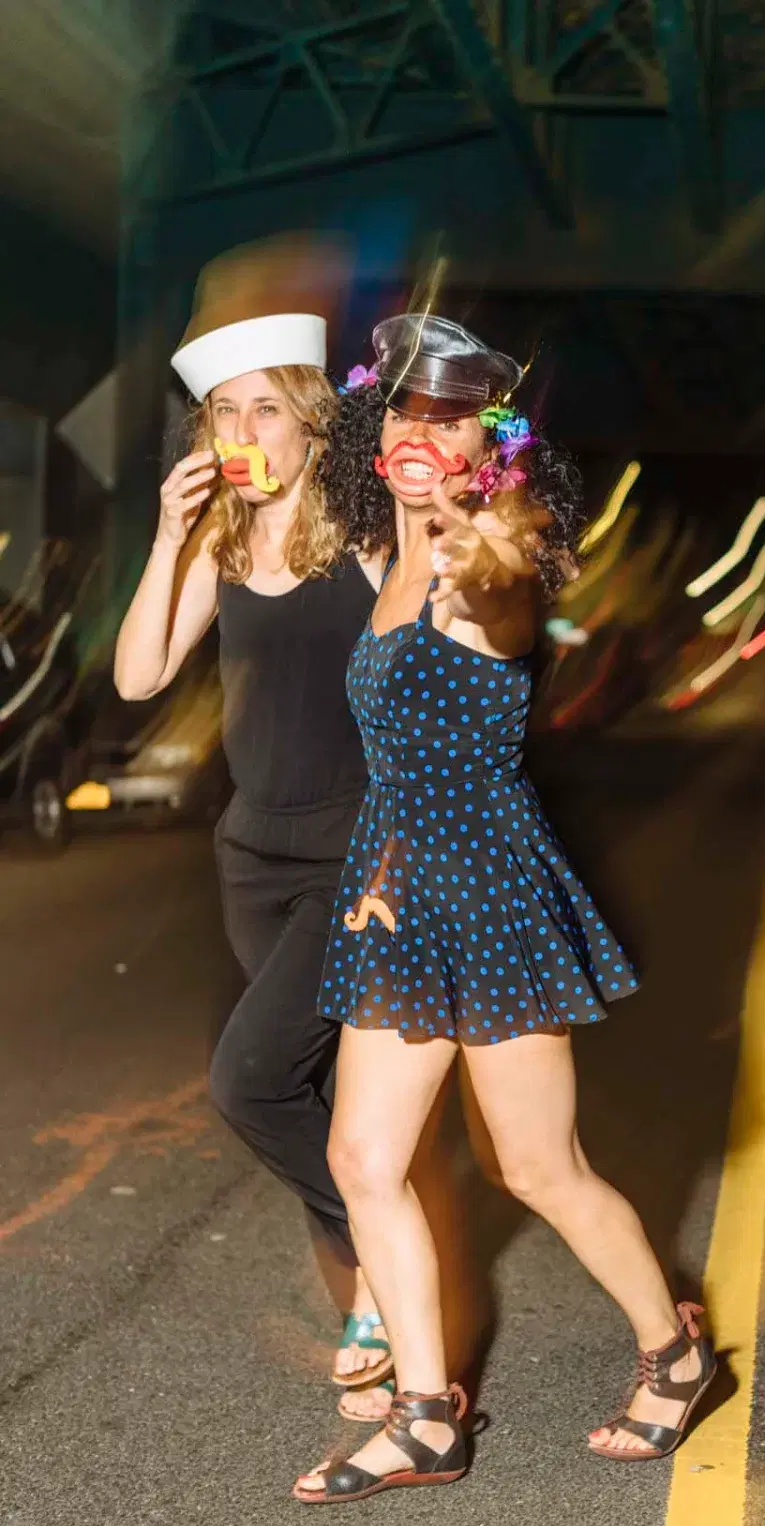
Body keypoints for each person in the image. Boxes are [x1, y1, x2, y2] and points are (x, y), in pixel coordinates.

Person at [293, 314, 716, 1504]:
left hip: (487, 895)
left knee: (536, 1167)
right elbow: (400, 756)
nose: (419, 436)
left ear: (490, 447)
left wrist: (475, 517)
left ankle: (676, 1353)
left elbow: (503, 583)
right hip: (400, 889)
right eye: (403, 416)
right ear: (376, 436)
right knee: (364, 1156)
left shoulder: (492, 562)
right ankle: (426, 1412)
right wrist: (374, 876)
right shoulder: (390, 561)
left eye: (447, 421)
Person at [113, 295, 486, 1421]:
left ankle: (392, 1290)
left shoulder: (368, 540)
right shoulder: (222, 541)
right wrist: (170, 538)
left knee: (248, 1080)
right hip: (252, 858)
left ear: (314, 423)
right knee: (317, 1093)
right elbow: (137, 677)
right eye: (223, 412)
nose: (241, 431)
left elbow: (440, 675)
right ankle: (384, 1282)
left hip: (356, 863)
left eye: (264, 408)